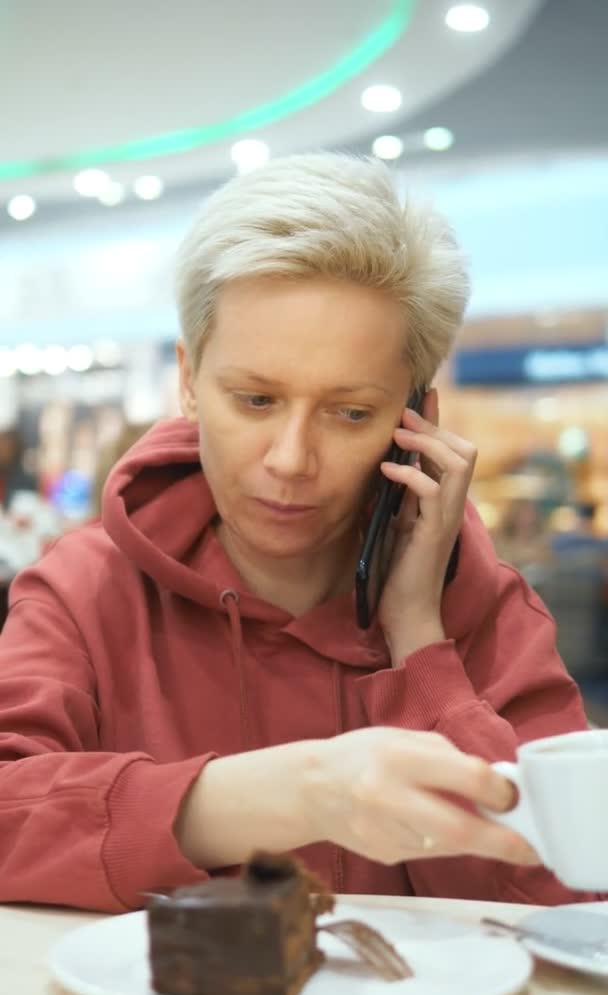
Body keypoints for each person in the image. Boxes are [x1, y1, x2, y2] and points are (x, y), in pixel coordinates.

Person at [0, 154, 598, 914]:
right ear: (188, 380)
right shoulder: (86, 587)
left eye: (350, 413)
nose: (290, 461)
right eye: (254, 400)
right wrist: (284, 797)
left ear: (414, 422)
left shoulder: (485, 605)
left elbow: (566, 894)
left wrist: (419, 643)